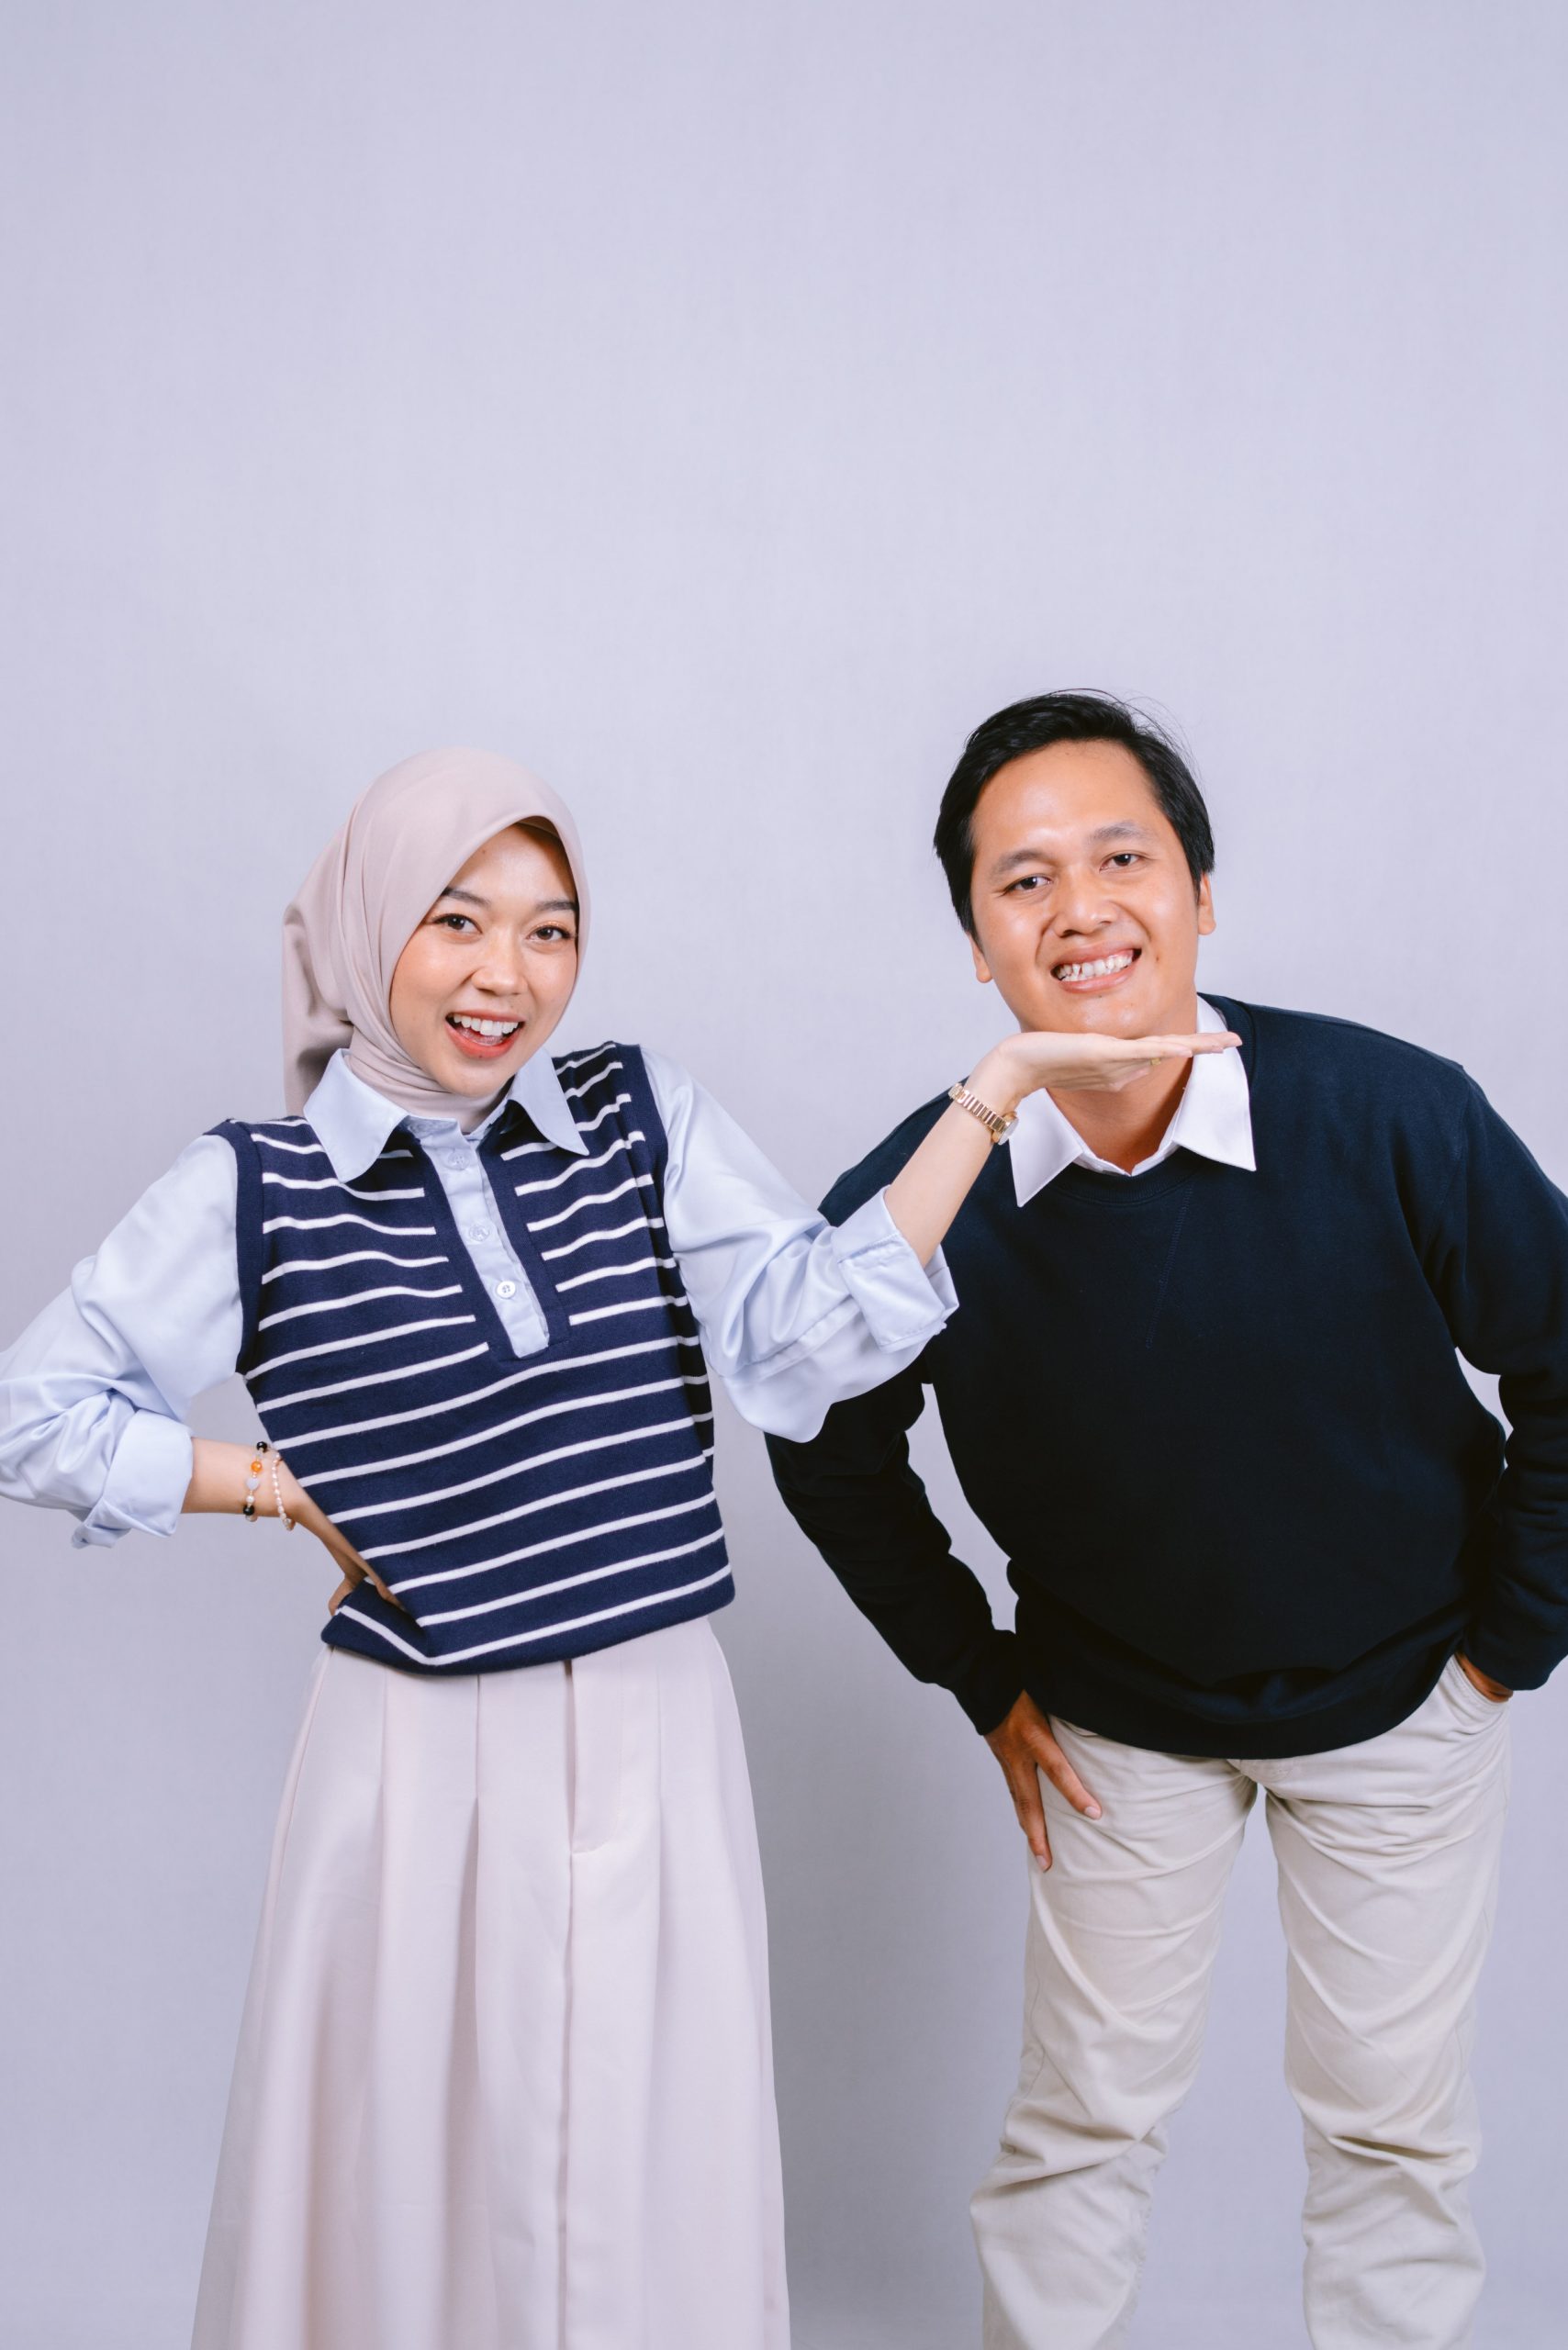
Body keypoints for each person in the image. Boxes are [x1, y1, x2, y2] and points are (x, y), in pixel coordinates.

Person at [0, 745, 1228, 2350]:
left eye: (551, 930)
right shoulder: (259, 1187)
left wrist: (994, 1094)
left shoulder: (637, 1115)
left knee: (654, 2140)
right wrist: (262, 1480)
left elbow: (801, 1340)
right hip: (417, 1745)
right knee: (420, 2153)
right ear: (369, 926)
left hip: (659, 1716)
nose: (506, 975)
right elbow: (34, 1412)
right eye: (457, 920)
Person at [767, 690, 1568, 2350]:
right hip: (1112, 1726)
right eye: (1024, 880)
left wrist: (1510, 1646)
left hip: (1408, 1695)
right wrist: (977, 1673)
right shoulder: (933, 1189)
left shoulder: (1387, 1110)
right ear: (976, 942)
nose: (1080, 909)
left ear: (1201, 892)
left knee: (1393, 2133)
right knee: (1079, 2129)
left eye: (1121, 859)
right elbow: (817, 1432)